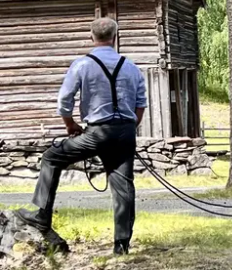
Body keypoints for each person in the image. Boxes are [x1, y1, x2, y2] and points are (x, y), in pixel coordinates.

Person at [15, 17, 147, 255]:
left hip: (97, 131)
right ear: (115, 37)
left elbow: (65, 101)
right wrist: (127, 129)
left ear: (91, 37)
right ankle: (121, 245)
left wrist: (70, 125)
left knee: (52, 158)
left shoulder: (82, 65)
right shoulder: (131, 66)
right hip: (126, 130)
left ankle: (41, 215)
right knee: (123, 186)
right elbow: (140, 104)